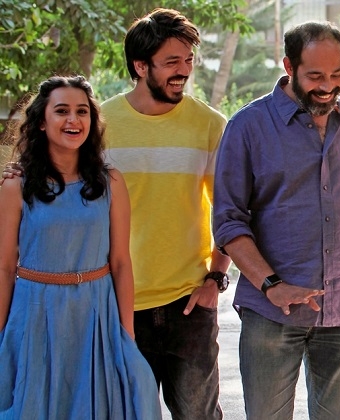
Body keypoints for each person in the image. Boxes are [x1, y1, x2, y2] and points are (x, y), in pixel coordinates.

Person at [213, 21, 340, 420]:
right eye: (316, 76)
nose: (328, 86)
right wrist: (272, 285)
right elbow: (228, 221)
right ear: (289, 66)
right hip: (272, 311)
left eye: (336, 74)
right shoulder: (248, 127)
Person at [0, 75, 162, 419]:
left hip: (95, 314)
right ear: (41, 121)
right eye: (62, 111)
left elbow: (121, 262)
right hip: (34, 313)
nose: (73, 120)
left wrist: (126, 334)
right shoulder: (15, 185)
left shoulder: (110, 181)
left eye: (82, 111)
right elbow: (4, 267)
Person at [100, 9, 232, 419]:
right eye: (172, 62)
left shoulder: (210, 125)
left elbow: (230, 210)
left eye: (188, 60)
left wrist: (215, 278)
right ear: (141, 66)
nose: (184, 71)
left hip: (188, 305)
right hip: (117, 302)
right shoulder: (101, 124)